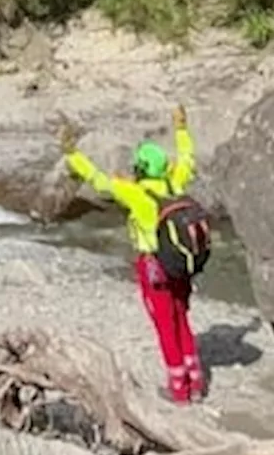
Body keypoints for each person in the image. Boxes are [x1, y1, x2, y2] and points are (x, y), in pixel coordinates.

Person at [59, 104, 203, 405]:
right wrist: (181, 129)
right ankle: (196, 380)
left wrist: (72, 154)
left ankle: (179, 388)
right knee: (182, 318)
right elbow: (188, 158)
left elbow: (98, 180)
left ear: (140, 169)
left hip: (153, 267)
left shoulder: (135, 194)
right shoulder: (175, 183)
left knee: (165, 326)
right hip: (180, 265)